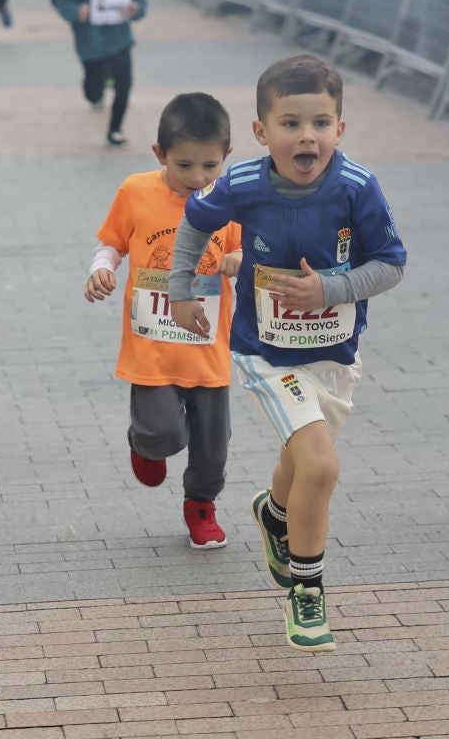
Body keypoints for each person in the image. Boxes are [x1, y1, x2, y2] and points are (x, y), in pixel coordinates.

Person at [168, 55, 407, 652]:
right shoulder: (242, 184)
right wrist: (181, 292)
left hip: (334, 355)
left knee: (302, 465)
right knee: (321, 465)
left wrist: (328, 289)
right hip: (264, 354)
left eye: (321, 123)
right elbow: (195, 224)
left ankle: (275, 514)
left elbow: (391, 264)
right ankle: (307, 592)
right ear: (261, 132)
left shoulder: (357, 187)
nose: (308, 136)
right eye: (291, 123)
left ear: (340, 130)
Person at [84, 92, 241, 550]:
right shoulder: (136, 191)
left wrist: (236, 257)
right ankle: (145, 444)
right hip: (151, 345)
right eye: (185, 165)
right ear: (160, 154)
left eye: (210, 166)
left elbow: (250, 249)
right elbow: (112, 242)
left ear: (227, 157)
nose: (198, 178)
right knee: (163, 432)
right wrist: (102, 268)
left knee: (213, 447)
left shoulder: (233, 202)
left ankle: (201, 508)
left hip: (208, 348)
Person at [54, 0, 146, 147]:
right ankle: (92, 89)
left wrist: (136, 9)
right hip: (92, 43)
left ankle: (115, 128)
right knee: (94, 90)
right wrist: (77, 12)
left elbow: (141, 3)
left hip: (121, 41)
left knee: (124, 85)